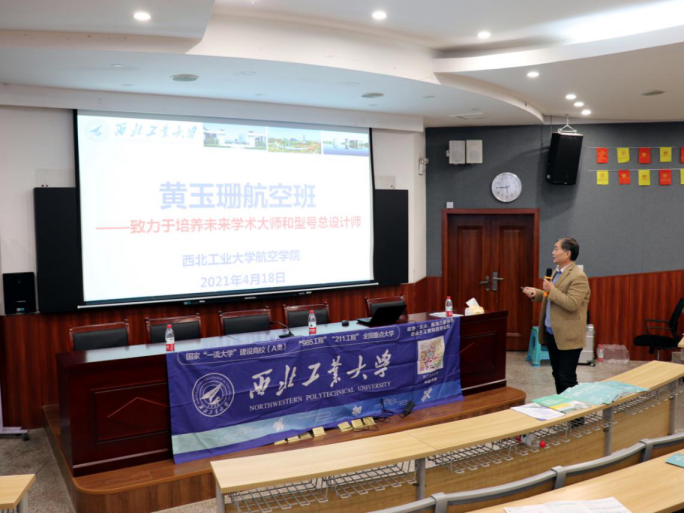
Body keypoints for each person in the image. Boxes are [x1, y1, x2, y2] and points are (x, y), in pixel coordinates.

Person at [522, 238, 591, 395]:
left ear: (567, 253)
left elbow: (572, 304)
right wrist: (537, 293)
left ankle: (574, 411)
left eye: (556, 249)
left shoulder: (578, 276)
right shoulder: (557, 272)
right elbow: (552, 296)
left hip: (568, 336)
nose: (553, 252)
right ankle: (562, 406)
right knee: (557, 375)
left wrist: (551, 290)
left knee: (567, 378)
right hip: (552, 334)